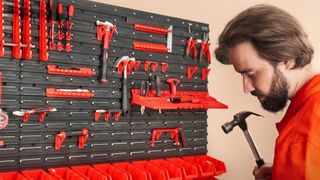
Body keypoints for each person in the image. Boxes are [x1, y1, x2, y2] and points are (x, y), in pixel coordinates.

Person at [215, 4, 320, 180]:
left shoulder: (303, 135)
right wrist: (285, 169)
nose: (246, 88)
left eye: (251, 74)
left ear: (287, 59)